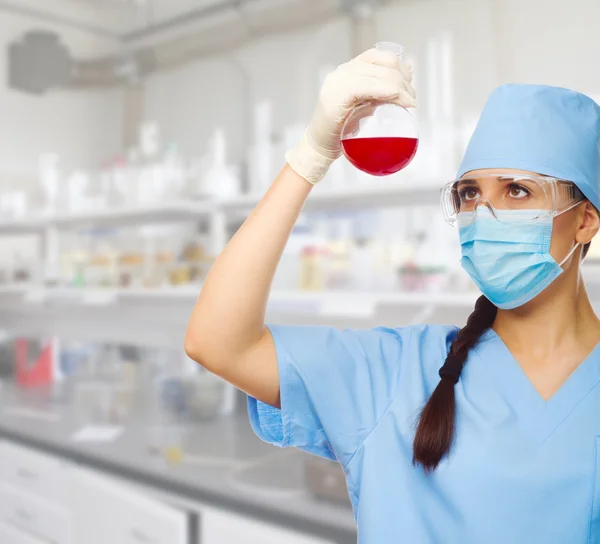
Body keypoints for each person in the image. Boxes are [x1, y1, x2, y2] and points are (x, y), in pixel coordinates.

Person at [184, 47, 600, 543]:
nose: (483, 216)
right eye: (470, 194)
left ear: (585, 219)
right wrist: (311, 157)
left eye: (517, 191)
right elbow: (217, 342)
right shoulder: (398, 372)